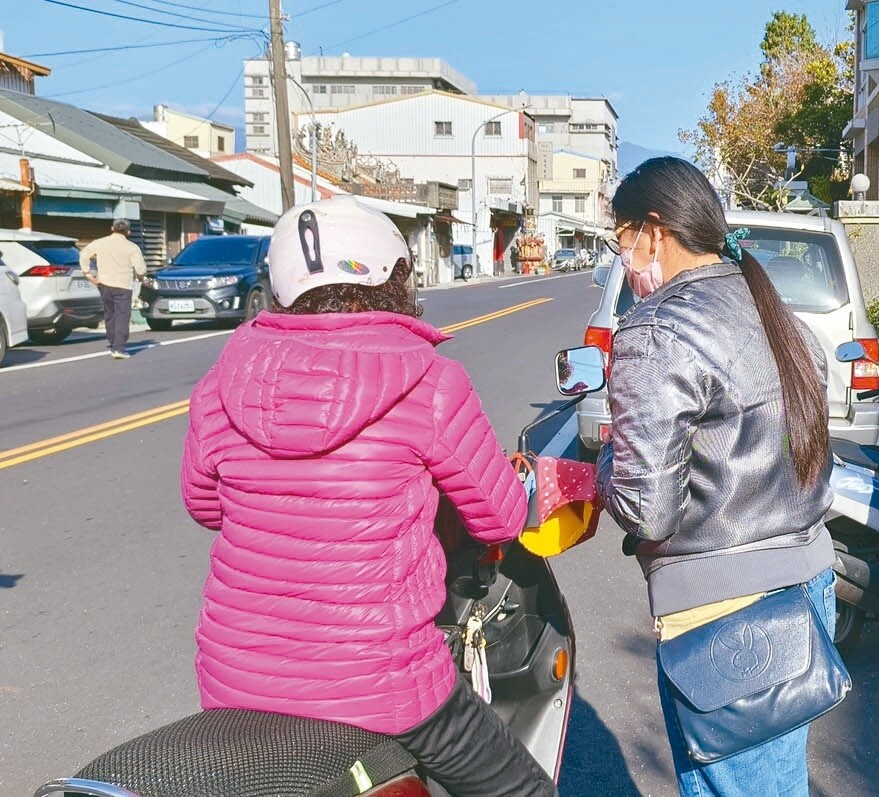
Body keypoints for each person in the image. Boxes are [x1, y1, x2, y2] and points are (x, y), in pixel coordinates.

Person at [180, 196, 555, 797]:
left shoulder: (221, 381)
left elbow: (205, 506)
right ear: (395, 278)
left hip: (235, 683)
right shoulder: (429, 381)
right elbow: (501, 517)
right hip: (385, 686)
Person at [594, 157, 837, 796]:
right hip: (807, 581)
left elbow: (647, 508)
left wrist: (600, 466)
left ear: (654, 231)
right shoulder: (767, 304)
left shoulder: (658, 328)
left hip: (727, 609)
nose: (623, 256)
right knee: (775, 783)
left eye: (621, 238)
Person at [79, 218, 146, 359]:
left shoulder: (100, 243)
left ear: (112, 228)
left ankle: (112, 342)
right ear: (128, 231)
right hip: (123, 285)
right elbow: (140, 269)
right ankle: (119, 348)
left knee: (110, 314)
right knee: (122, 316)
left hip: (104, 283)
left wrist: (88, 274)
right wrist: (140, 277)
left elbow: (84, 253)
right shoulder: (132, 247)